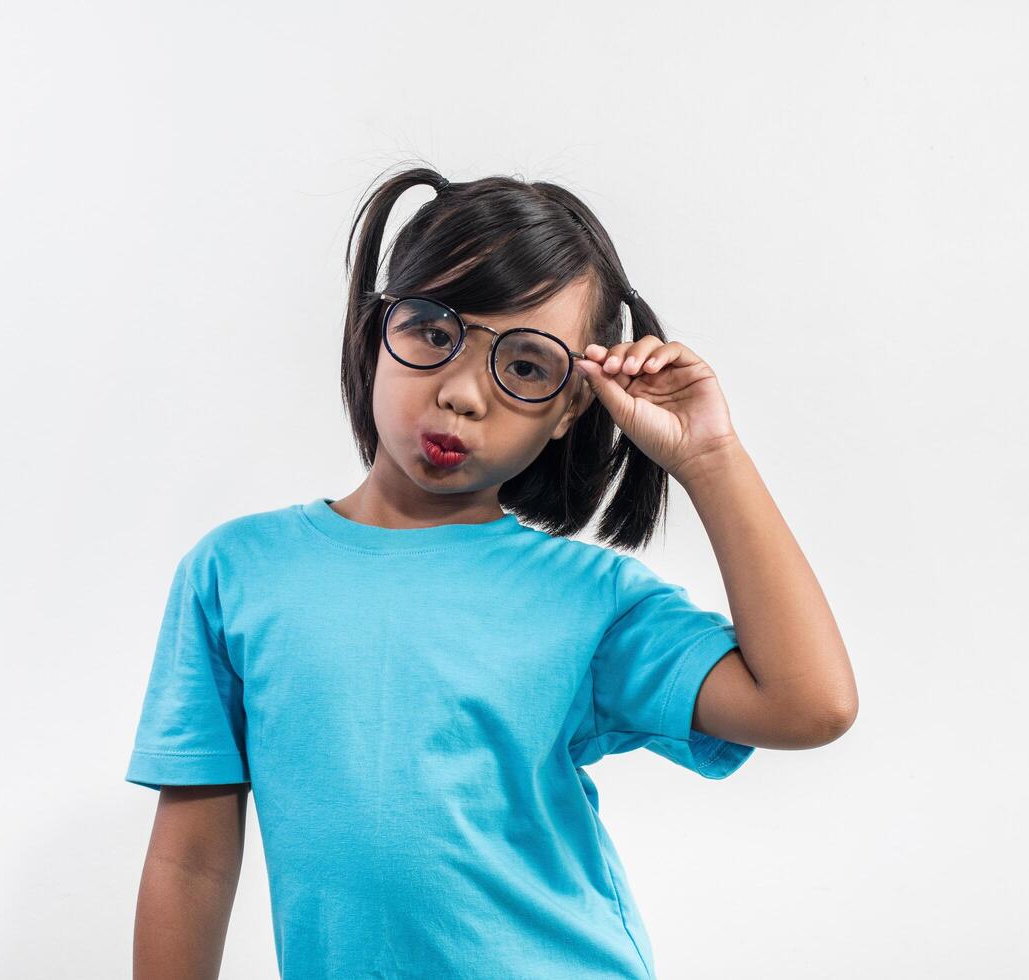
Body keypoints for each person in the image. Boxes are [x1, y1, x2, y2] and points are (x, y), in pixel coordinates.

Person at [124, 165, 859, 979]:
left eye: (526, 367)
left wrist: (712, 458)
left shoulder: (590, 602)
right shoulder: (236, 573)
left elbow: (810, 706)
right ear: (375, 334)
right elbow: (190, 862)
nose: (464, 394)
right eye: (434, 334)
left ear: (569, 409)